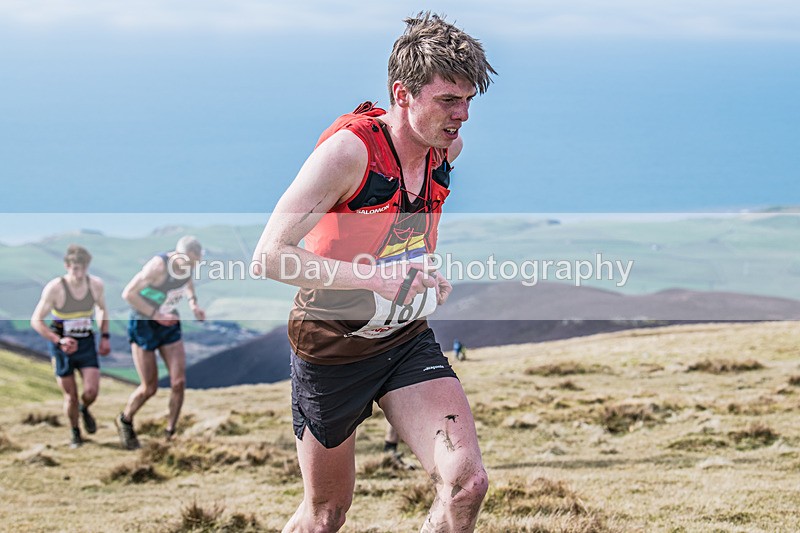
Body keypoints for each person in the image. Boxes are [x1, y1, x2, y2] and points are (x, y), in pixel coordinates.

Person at [252, 13, 494, 531]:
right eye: (449, 100)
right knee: (326, 514)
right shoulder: (349, 153)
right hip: (331, 346)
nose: (463, 115)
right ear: (402, 93)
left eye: (469, 100)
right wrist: (375, 279)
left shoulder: (446, 150)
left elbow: (403, 229)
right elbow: (270, 255)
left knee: (466, 483)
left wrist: (425, 274)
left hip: (404, 340)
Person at [116, 236, 206, 449]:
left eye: (195, 264)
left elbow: (187, 283)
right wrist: (156, 314)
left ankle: (170, 432)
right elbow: (128, 294)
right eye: (189, 263)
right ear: (177, 255)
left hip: (169, 322)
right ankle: (125, 419)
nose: (191, 267)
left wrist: (193, 304)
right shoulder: (157, 267)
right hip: (144, 323)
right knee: (150, 387)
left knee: (178, 382)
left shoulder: (187, 266)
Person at [30, 244, 111, 448]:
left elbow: (102, 309)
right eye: (75, 267)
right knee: (70, 396)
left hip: (85, 341)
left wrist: (105, 336)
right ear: (67, 266)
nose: (79, 272)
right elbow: (36, 320)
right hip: (62, 345)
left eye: (82, 267)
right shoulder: (55, 288)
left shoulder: (96, 285)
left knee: (91, 391)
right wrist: (58, 341)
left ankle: (85, 409)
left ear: (87, 266)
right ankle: (75, 432)